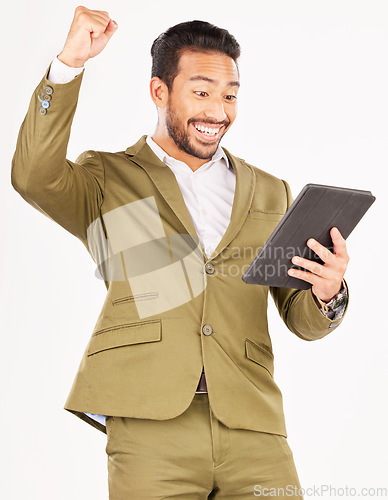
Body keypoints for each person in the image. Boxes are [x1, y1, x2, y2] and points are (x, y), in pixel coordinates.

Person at [11, 6, 350, 499]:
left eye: (230, 95)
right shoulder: (108, 179)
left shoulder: (270, 191)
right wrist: (67, 67)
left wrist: (328, 292)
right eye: (202, 92)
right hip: (150, 425)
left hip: (252, 425)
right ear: (159, 91)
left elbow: (299, 316)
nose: (218, 111)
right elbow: (33, 177)